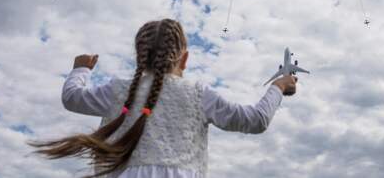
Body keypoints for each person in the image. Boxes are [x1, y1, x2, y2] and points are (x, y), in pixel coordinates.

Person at [30, 18, 297, 177]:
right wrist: (278, 87)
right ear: (185, 58)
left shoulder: (116, 90)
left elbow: (72, 97)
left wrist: (81, 69)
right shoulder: (197, 94)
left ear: (139, 56)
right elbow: (256, 120)